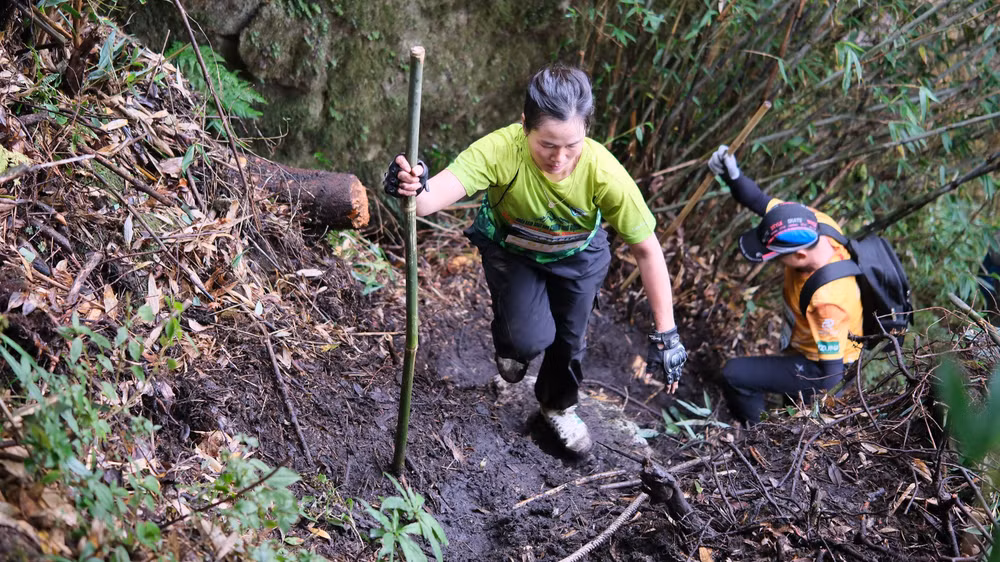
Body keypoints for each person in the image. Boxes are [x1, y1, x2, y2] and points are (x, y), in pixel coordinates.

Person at [383, 64, 686, 455]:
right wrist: (412, 183)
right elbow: (428, 199)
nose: (559, 158)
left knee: (570, 339)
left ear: (586, 132)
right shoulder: (500, 150)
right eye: (547, 144)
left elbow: (647, 248)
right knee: (527, 340)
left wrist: (668, 334)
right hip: (513, 250)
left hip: (578, 254)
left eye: (571, 145)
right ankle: (513, 347)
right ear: (524, 124)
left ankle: (557, 405)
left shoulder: (604, 172)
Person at [707, 145, 863, 425]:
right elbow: (759, 201)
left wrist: (821, 422)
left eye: (777, 257)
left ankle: (761, 432)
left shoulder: (828, 299)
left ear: (800, 255)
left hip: (820, 366)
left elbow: (832, 375)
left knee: (734, 374)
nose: (774, 261)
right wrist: (733, 175)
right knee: (786, 390)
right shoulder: (814, 223)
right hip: (803, 344)